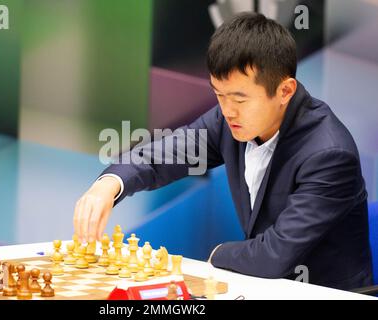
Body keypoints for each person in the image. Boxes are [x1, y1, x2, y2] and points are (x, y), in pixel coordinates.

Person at [73, 12, 373, 290]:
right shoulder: (229, 120)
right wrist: (110, 184)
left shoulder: (329, 155)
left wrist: (216, 255)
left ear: (285, 91)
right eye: (219, 94)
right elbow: (164, 156)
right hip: (261, 287)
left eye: (240, 100)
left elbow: (273, 255)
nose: (227, 111)